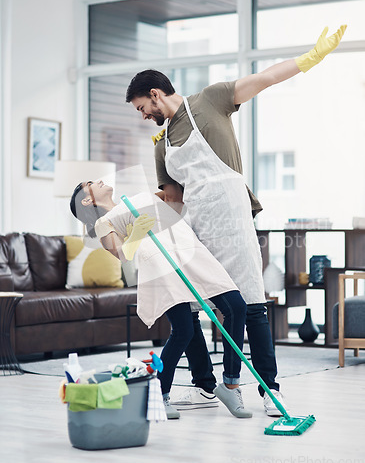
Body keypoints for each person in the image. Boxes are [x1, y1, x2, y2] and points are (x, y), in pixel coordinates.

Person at [125, 25, 347, 416]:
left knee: (251, 303)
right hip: (194, 223)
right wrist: (142, 210)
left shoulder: (210, 101)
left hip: (231, 213)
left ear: (156, 94)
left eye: (143, 107)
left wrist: (311, 58)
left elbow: (264, 78)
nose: (144, 116)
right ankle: (207, 386)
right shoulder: (161, 144)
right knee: (191, 306)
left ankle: (269, 390)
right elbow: (173, 198)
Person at [70, 179, 255, 420]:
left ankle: (230, 384)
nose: (99, 181)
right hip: (162, 265)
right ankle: (159, 393)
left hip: (191, 252)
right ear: (87, 200)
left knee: (236, 306)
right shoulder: (102, 223)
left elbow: (175, 189)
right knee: (184, 330)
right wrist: (135, 234)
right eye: (91, 183)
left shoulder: (138, 197)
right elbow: (122, 254)